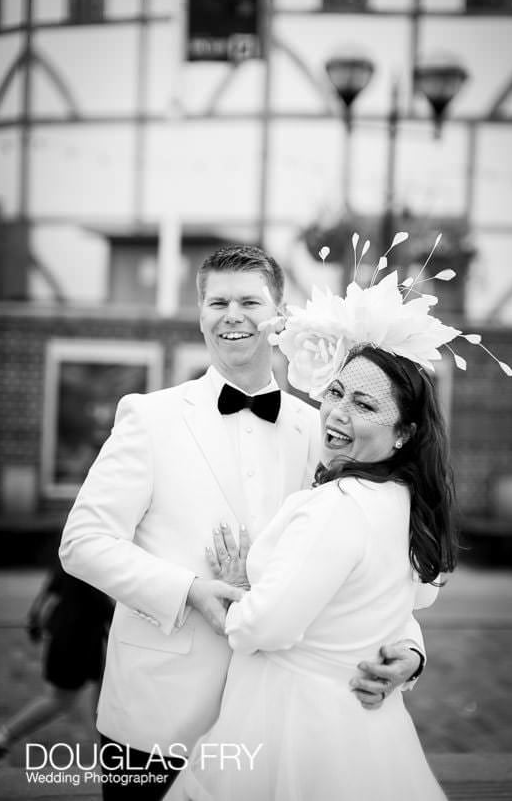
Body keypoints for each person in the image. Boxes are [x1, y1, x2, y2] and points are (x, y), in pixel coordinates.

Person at [59, 245, 426, 800]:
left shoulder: (323, 429)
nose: (232, 315)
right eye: (217, 302)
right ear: (201, 314)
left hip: (273, 721)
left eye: (250, 301)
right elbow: (82, 543)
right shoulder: (149, 417)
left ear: (280, 314)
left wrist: (409, 647)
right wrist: (187, 590)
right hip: (158, 712)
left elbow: (360, 554)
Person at [181, 342, 457, 801]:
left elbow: (263, 627)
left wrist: (239, 594)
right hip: (365, 732)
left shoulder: (339, 506)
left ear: (404, 432)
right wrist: (411, 652)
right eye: (336, 392)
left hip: (291, 725)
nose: (336, 413)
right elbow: (393, 599)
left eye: (363, 404)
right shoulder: (404, 500)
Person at [0, 560, 113, 766]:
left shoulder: (71, 551)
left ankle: (108, 753)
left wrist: (36, 621)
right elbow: (102, 603)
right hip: (75, 639)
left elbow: (49, 591)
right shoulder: (90, 557)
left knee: (100, 697)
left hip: (74, 637)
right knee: (61, 700)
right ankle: (1, 740)